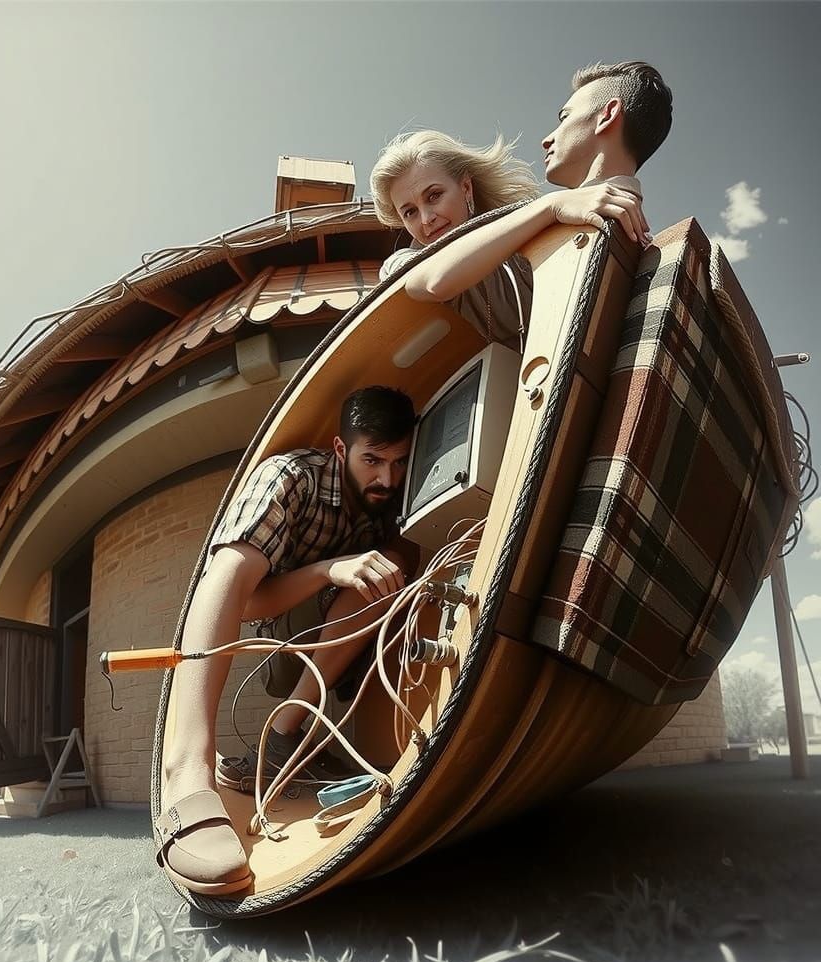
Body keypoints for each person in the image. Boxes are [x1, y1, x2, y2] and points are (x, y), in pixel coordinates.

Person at [156, 386, 416, 894]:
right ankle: (185, 768)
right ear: (341, 450)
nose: (387, 478)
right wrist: (327, 570)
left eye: (399, 462)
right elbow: (236, 592)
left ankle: (285, 735)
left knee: (393, 566)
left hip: (350, 636)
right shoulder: (290, 477)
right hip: (277, 627)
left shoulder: (391, 495)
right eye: (372, 460)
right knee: (235, 571)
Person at [370, 61, 672, 321]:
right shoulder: (405, 263)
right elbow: (433, 280)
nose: (425, 219)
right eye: (408, 211)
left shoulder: (637, 246)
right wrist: (550, 206)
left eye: (434, 195)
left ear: (465, 188)